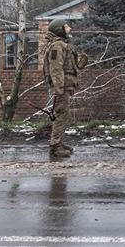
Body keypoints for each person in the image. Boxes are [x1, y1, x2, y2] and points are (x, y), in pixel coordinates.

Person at [42, 18, 87, 158]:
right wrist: (58, 87)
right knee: (62, 114)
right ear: (59, 30)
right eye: (66, 27)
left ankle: (58, 143)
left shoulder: (62, 45)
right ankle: (55, 147)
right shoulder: (57, 46)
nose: (69, 29)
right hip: (61, 86)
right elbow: (56, 68)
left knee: (63, 114)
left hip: (65, 85)